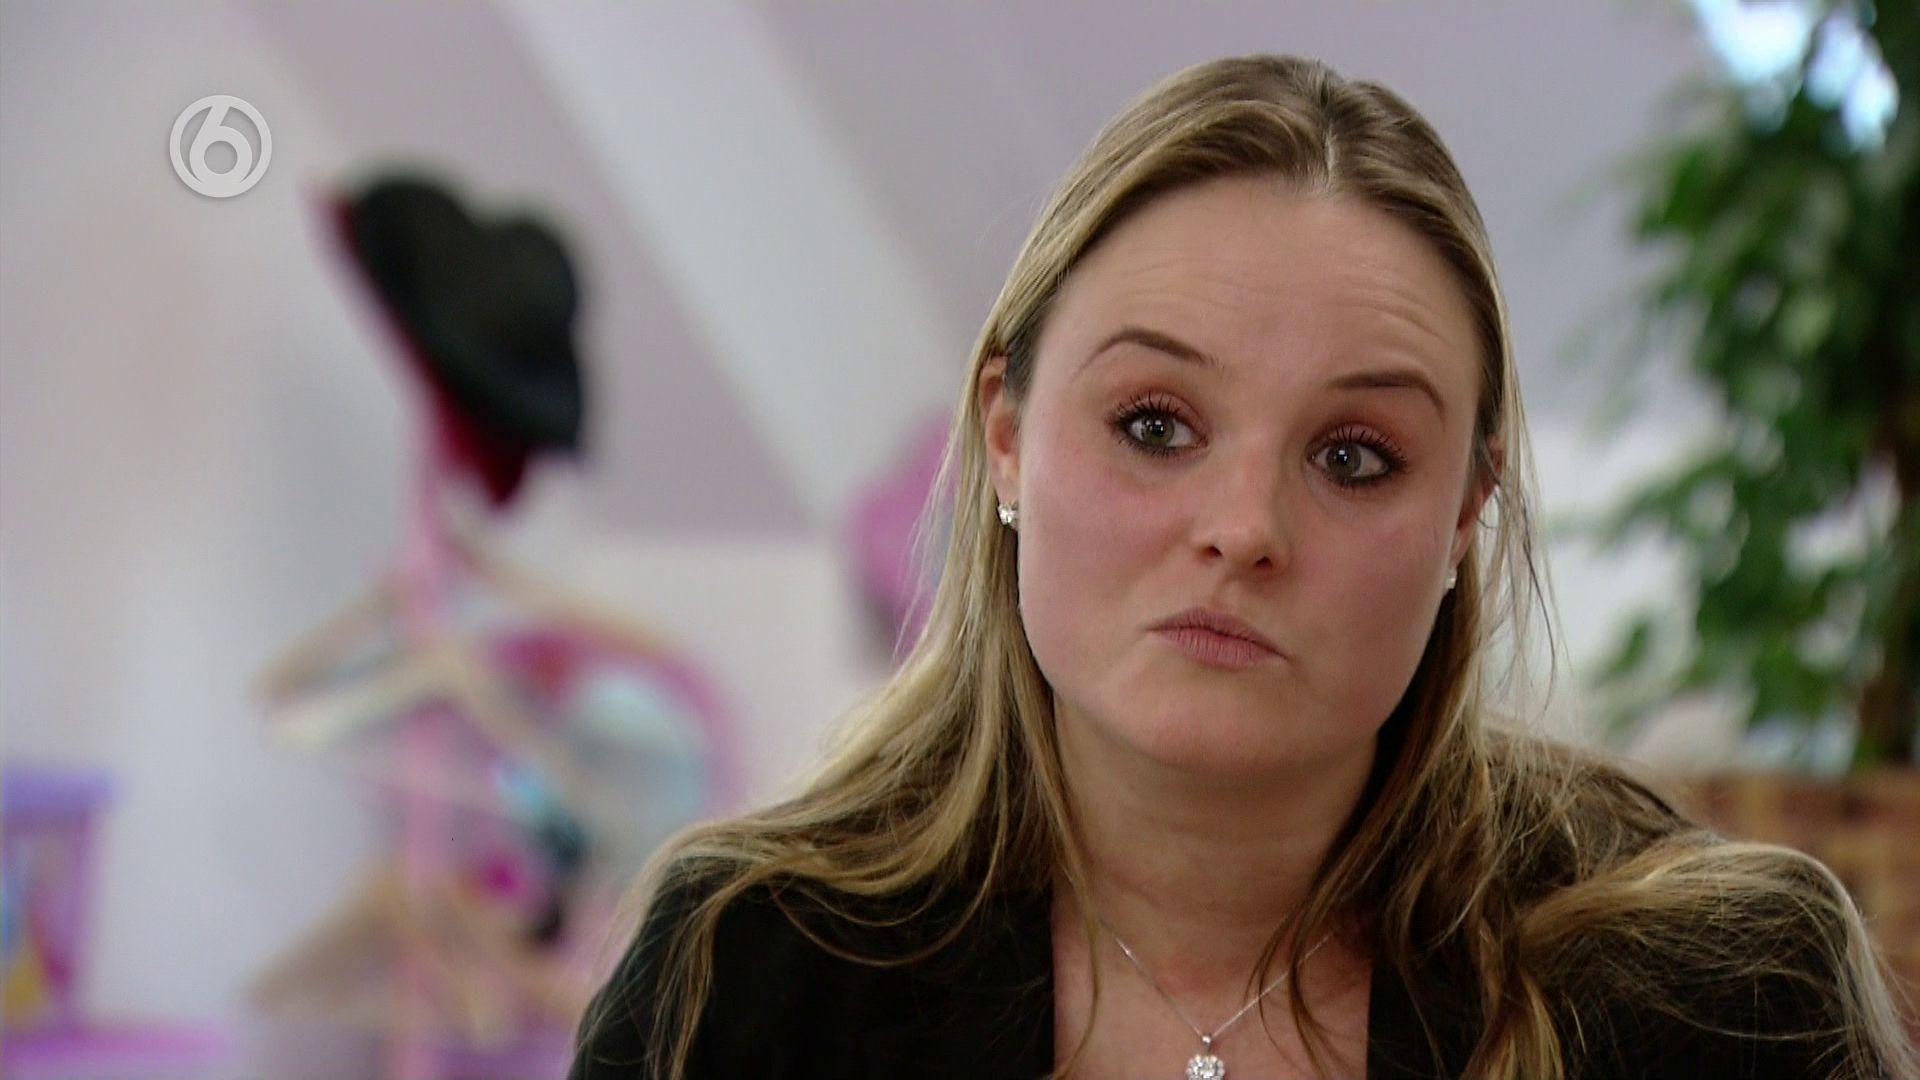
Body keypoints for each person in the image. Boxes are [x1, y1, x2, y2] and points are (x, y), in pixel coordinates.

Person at [568, 54, 1916, 1080]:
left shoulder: (1715, 1006)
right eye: (1156, 426)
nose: (1244, 525)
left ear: (1465, 515)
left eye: (1355, 456)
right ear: (1007, 438)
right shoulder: (745, 977)